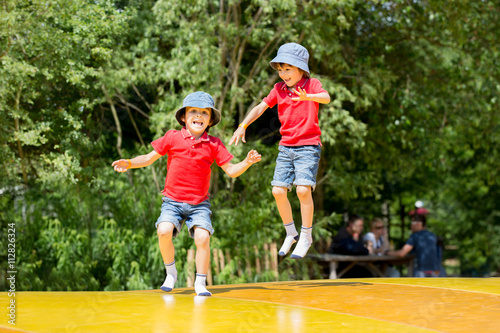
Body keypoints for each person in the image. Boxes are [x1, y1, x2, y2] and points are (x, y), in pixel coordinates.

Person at [112, 92, 261, 296]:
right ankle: (171, 272)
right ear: (183, 117)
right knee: (163, 231)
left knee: (202, 238)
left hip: (199, 204)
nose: (198, 116)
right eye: (193, 111)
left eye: (204, 113)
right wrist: (128, 163)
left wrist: (247, 162)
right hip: (172, 201)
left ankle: (200, 283)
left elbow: (232, 171)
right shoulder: (172, 137)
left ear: (210, 120)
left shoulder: (214, 144)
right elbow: (148, 158)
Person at [229, 43, 331, 259]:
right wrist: (243, 125)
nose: (283, 74)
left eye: (288, 69)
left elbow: (326, 97)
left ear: (301, 69)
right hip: (286, 146)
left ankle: (306, 235)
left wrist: (309, 98)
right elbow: (260, 107)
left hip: (308, 145)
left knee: (303, 190)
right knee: (277, 191)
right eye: (280, 70)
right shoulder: (278, 89)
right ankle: (291, 232)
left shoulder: (311, 84)